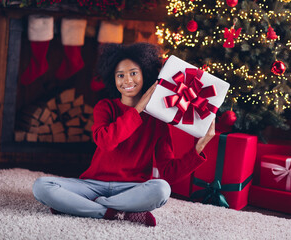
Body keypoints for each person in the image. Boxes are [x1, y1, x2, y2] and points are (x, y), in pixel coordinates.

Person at [32, 43, 216, 227]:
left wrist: (200, 147)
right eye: (120, 75)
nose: (127, 80)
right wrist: (137, 110)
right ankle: (112, 212)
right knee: (41, 186)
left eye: (133, 73)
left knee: (162, 189)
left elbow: (167, 173)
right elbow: (106, 142)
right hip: (93, 184)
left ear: (145, 74)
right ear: (113, 79)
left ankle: (86, 207)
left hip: (132, 189)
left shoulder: (158, 120)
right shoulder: (105, 107)